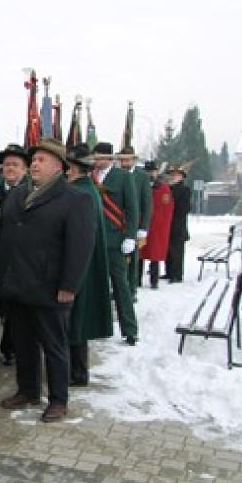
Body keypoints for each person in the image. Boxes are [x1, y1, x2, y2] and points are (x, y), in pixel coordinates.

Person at [0, 138, 95, 422]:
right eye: (33, 160)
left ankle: (59, 400)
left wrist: (69, 286)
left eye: (41, 160)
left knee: (55, 347)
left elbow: (80, 247)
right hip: (17, 284)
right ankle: (28, 390)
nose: (34, 164)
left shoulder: (76, 199)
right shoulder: (17, 194)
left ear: (59, 167)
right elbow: (3, 236)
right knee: (22, 343)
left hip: (49, 288)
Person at [64, 143, 112, 386]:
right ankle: (77, 370)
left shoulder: (81, 193)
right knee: (76, 320)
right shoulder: (87, 190)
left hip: (82, 265)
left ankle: (77, 373)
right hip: (87, 263)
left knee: (76, 321)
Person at [92, 142, 140, 345]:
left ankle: (129, 329)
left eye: (100, 158)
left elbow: (132, 209)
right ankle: (95, 325)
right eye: (95, 158)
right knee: (93, 285)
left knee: (121, 285)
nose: (97, 161)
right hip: (93, 238)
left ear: (110, 159)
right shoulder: (89, 176)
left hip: (115, 239)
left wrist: (130, 236)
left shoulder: (123, 177)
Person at [0, 143, 30, 366]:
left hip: (19, 261)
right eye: (6, 164)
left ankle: (11, 348)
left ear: (24, 170)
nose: (10, 169)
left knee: (14, 310)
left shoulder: (31, 194)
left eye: (15, 165)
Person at [118, 146, 152, 300]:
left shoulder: (142, 177)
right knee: (118, 260)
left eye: (128, 159)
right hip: (118, 222)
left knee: (133, 260)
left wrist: (143, 228)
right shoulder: (116, 174)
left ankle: (131, 289)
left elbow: (147, 204)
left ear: (134, 160)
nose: (125, 162)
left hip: (135, 223)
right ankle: (118, 289)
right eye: (122, 159)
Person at [140, 161, 174, 288]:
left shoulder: (163, 188)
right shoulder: (140, 185)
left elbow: (167, 208)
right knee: (139, 254)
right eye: (147, 171)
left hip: (156, 226)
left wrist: (160, 223)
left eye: (152, 171)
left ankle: (154, 281)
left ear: (156, 172)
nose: (149, 174)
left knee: (154, 254)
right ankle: (136, 280)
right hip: (142, 224)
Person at [165, 163, 192, 283]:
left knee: (177, 251)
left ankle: (177, 274)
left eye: (176, 175)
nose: (173, 177)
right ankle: (169, 272)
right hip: (167, 223)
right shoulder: (167, 188)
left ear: (181, 177)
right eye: (172, 174)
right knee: (168, 250)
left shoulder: (184, 190)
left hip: (178, 225)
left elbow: (185, 208)